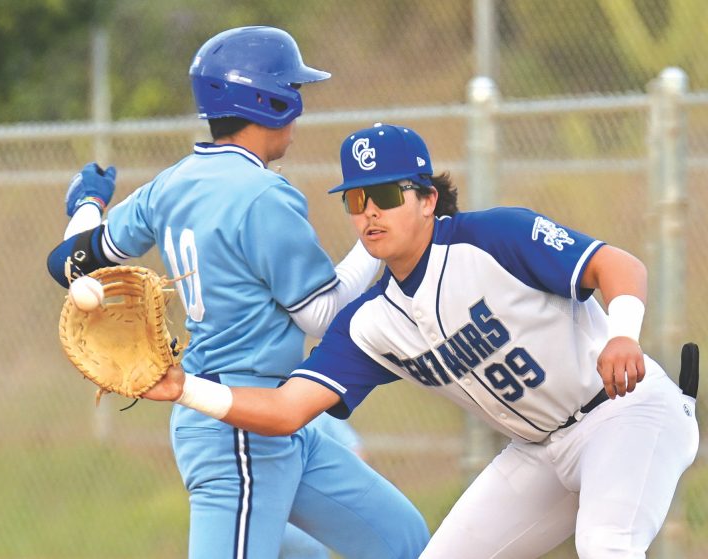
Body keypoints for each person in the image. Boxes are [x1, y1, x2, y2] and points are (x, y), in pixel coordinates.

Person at [145, 123, 700, 559]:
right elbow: (288, 409)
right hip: (539, 450)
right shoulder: (372, 321)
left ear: (428, 199)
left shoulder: (494, 238)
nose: (369, 213)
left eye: (385, 194)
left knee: (606, 546)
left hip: (626, 414)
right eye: (355, 200)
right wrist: (184, 388)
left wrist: (623, 334)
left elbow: (616, 264)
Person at [47, 29, 428, 559]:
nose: (298, 108)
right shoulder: (265, 195)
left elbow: (68, 262)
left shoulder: (172, 183)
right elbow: (322, 315)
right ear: (270, 102)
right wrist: (380, 236)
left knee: (403, 541)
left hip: (281, 416)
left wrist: (87, 202)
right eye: (292, 91)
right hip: (235, 430)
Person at [280, 415, 366, 559]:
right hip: (304, 522)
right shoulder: (317, 407)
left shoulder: (249, 404)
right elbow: (355, 453)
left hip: (258, 514)